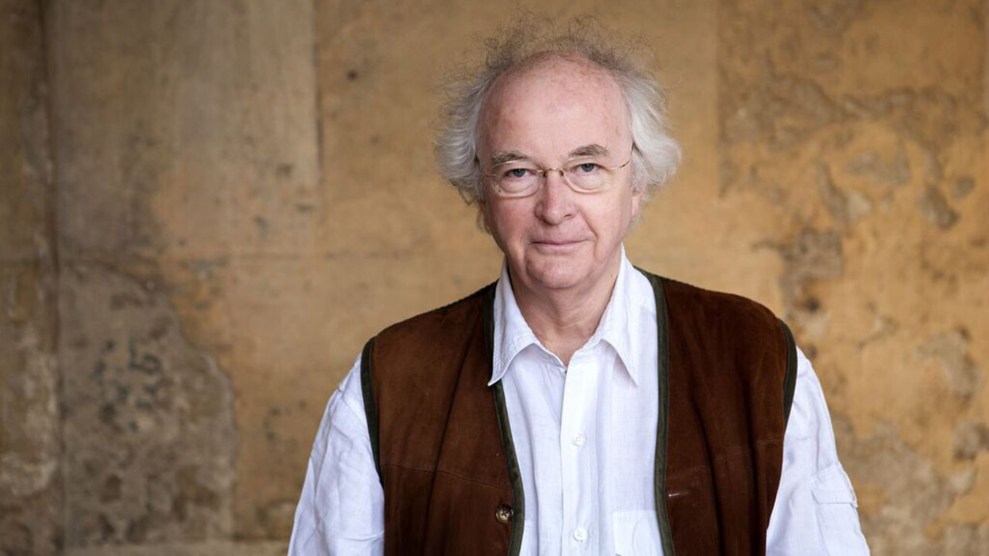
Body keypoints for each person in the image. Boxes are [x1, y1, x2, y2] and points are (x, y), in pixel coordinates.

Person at [288, 20, 869, 555]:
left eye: (586, 167)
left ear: (636, 185)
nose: (554, 206)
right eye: (519, 172)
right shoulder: (390, 381)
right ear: (481, 195)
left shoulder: (755, 360)